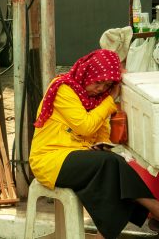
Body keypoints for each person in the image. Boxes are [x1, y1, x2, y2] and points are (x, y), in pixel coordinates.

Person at [29, 49, 159, 239]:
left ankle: (106, 234)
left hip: (78, 156)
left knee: (112, 169)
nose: (100, 89)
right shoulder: (63, 88)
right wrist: (109, 101)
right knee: (110, 165)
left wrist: (102, 144)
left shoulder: (94, 100)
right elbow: (85, 127)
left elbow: (99, 133)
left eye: (106, 85)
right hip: (50, 159)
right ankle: (154, 209)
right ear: (87, 73)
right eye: (98, 82)